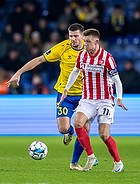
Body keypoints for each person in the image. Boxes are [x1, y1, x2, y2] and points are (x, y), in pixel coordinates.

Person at [6, 23, 90, 171]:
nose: (73, 39)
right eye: (71, 36)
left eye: (76, 36)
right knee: (63, 128)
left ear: (83, 36)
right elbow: (39, 60)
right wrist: (18, 72)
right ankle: (70, 133)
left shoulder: (91, 50)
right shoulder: (63, 47)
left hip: (86, 95)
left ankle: (74, 163)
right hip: (65, 94)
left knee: (85, 130)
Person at [59, 28, 127, 172]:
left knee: (103, 134)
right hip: (88, 99)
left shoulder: (107, 58)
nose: (85, 45)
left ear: (97, 42)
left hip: (105, 100)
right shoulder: (82, 56)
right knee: (77, 123)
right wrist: (66, 89)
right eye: (84, 42)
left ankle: (118, 162)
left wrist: (119, 98)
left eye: (88, 42)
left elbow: (117, 81)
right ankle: (91, 156)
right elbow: (75, 71)